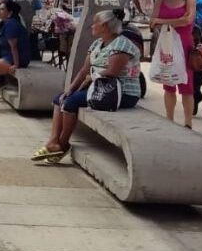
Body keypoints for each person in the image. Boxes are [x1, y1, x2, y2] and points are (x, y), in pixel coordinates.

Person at [31, 9, 142, 162]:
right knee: (60, 98)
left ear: (104, 25)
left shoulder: (122, 45)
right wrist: (70, 89)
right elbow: (84, 70)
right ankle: (53, 141)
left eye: (95, 23)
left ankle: (63, 145)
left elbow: (112, 73)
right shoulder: (97, 43)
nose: (92, 26)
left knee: (71, 103)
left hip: (120, 92)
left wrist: (91, 77)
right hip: (98, 88)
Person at [150, 0, 198, 128]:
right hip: (166, 46)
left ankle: (188, 122)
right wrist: (176, 20)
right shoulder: (160, 2)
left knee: (187, 86)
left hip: (185, 46)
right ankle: (169, 119)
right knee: (168, 83)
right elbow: (152, 23)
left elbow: (187, 21)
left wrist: (162, 21)